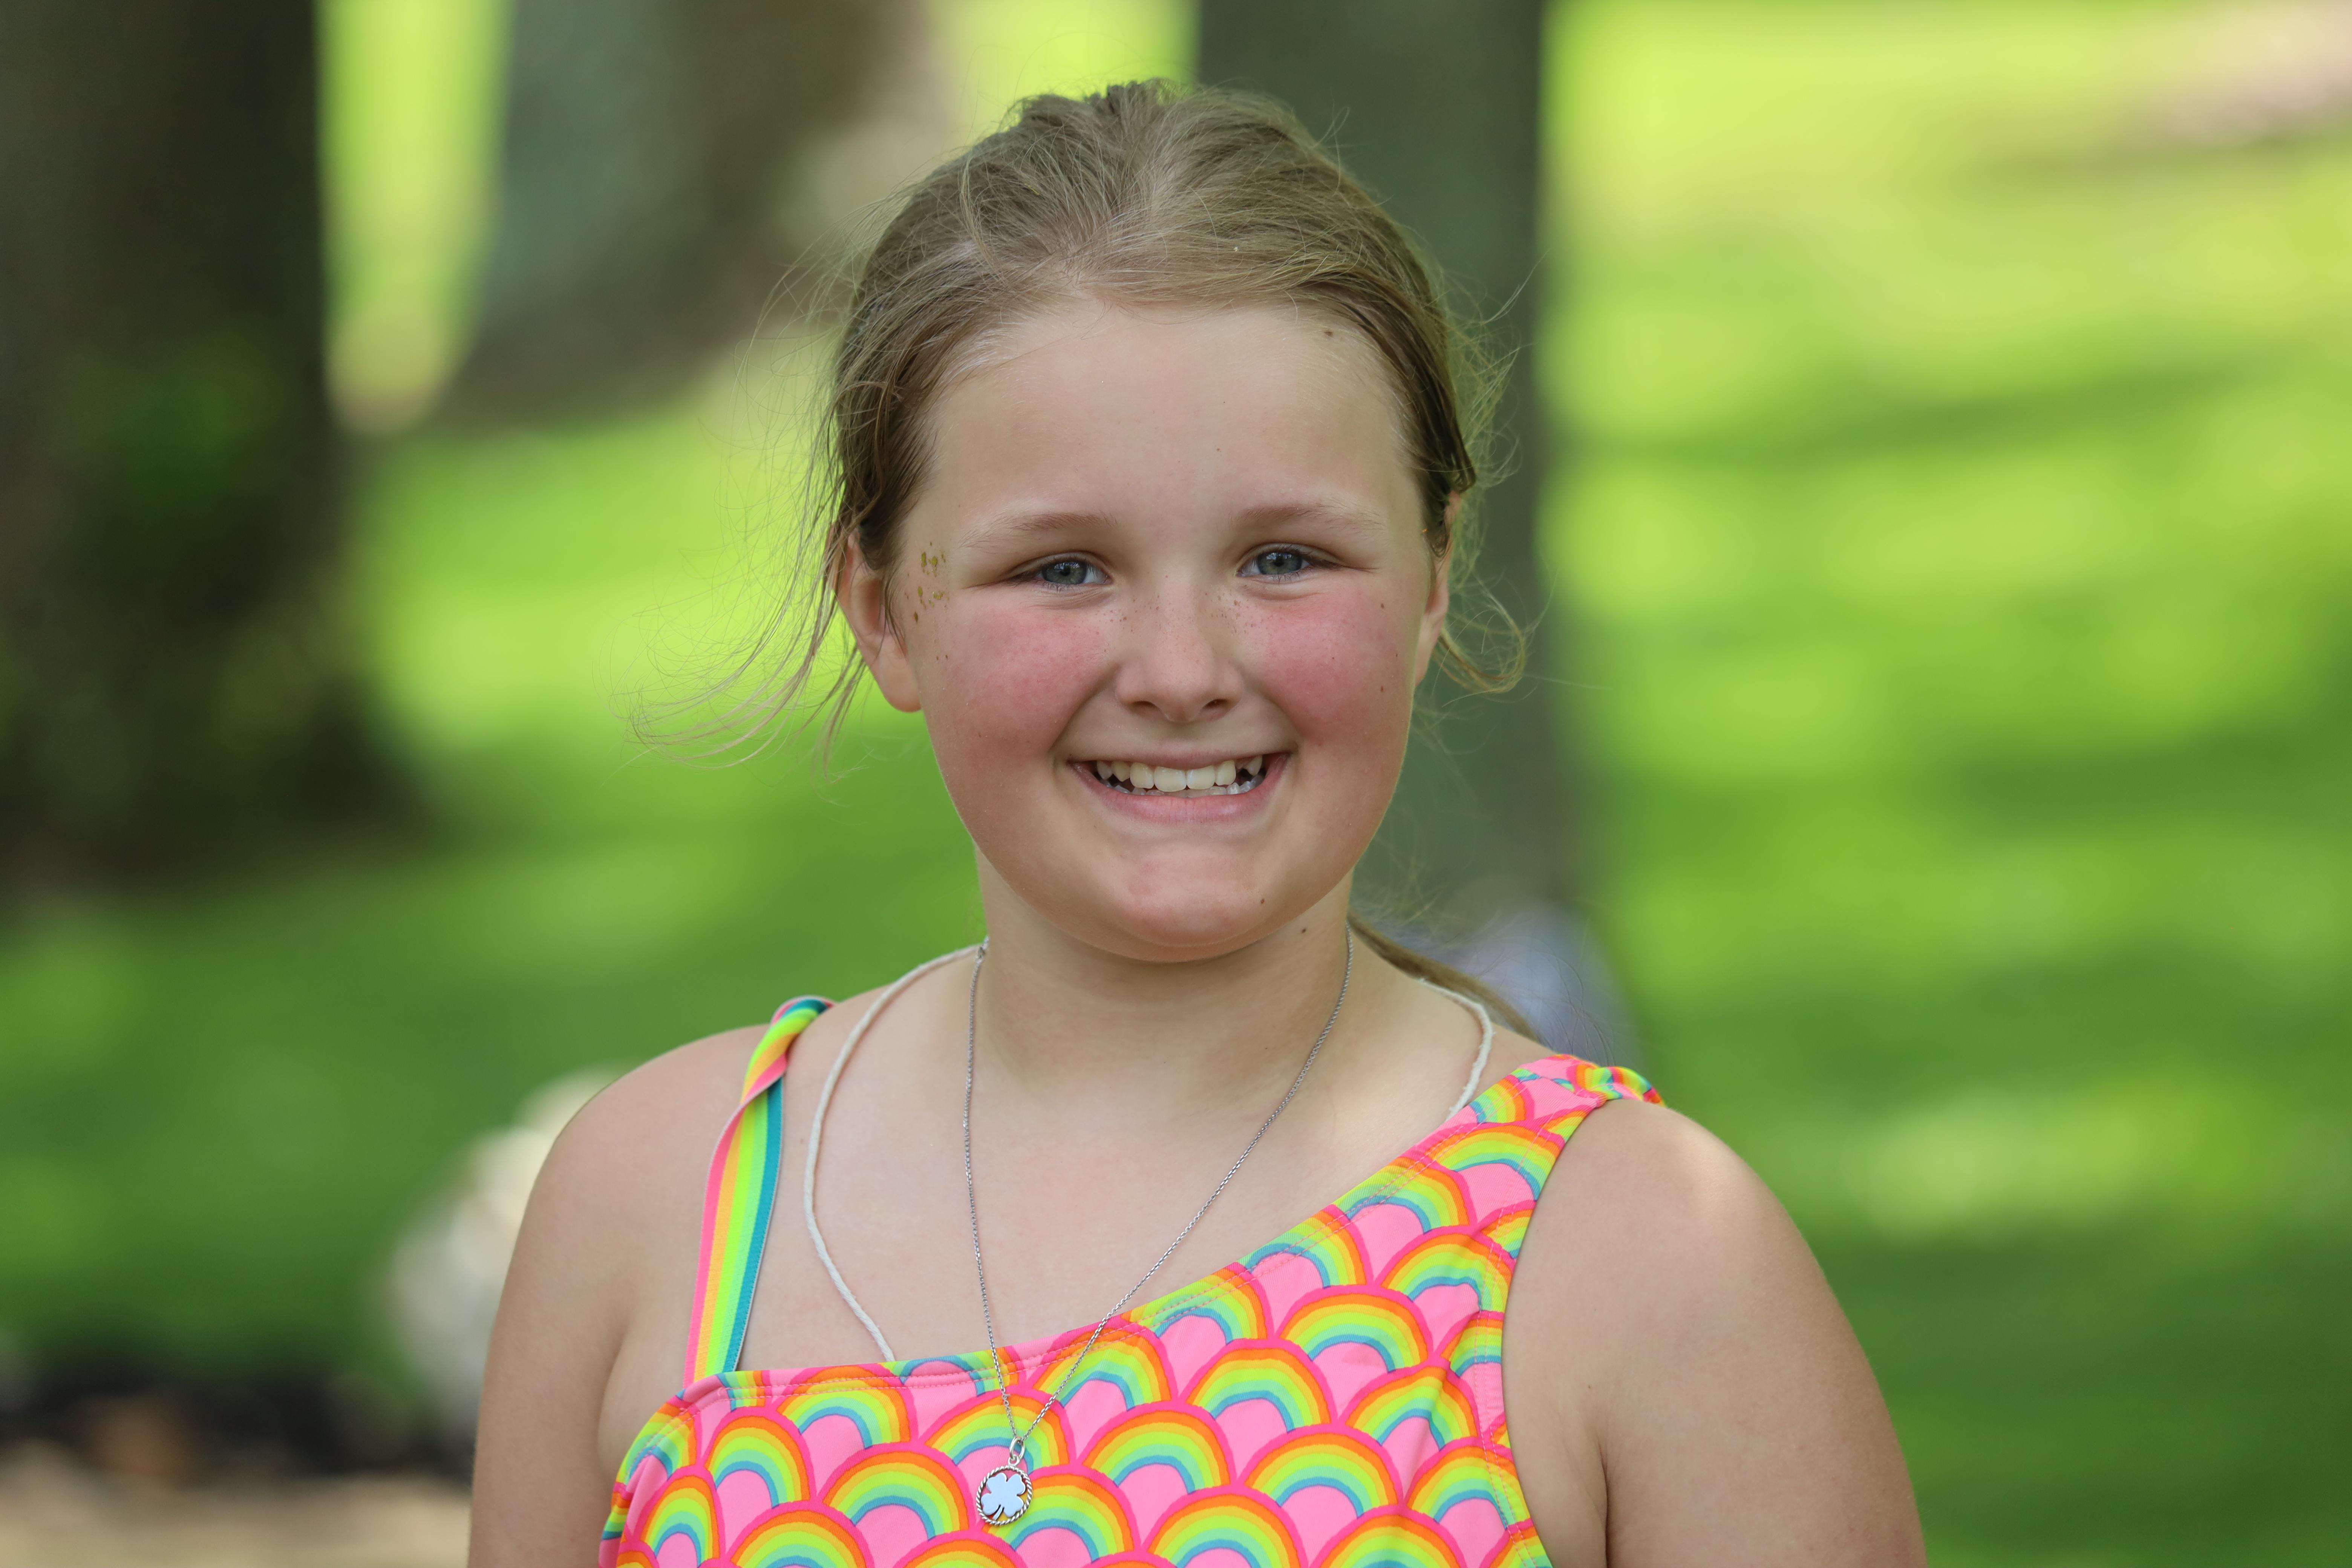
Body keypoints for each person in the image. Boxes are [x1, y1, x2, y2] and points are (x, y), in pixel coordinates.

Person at [469, 82, 1926, 1568]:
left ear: (1432, 582)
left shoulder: (1648, 1265)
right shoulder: (656, 1203)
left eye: (1283, 557)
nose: (1180, 672)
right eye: (1063, 568)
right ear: (884, 608)